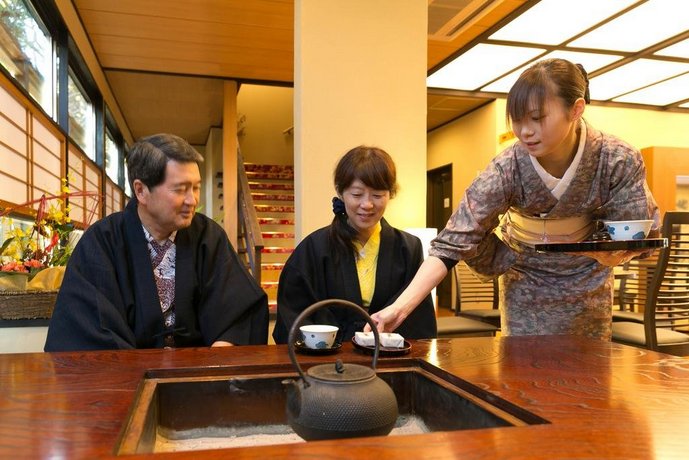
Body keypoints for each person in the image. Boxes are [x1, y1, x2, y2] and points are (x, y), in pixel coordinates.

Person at [366, 58, 660, 341]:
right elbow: (454, 241)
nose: (525, 131)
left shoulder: (617, 158)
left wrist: (617, 253)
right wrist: (399, 309)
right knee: (523, 367)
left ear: (576, 109)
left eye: (537, 118)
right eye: (517, 121)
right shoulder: (508, 166)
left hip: (588, 277)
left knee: (589, 367)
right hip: (524, 277)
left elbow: (635, 226)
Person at [45, 133, 269, 351]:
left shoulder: (208, 236)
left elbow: (239, 310)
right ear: (141, 191)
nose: (192, 200)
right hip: (125, 371)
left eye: (196, 187)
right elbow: (87, 323)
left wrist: (222, 350)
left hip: (200, 367)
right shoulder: (102, 241)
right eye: (180, 189)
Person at [272, 146, 437, 343]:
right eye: (357, 194)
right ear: (341, 192)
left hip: (387, 355)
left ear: (390, 194)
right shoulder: (313, 248)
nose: (367, 204)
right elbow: (293, 312)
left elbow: (419, 319)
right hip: (327, 356)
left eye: (377, 195)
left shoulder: (408, 248)